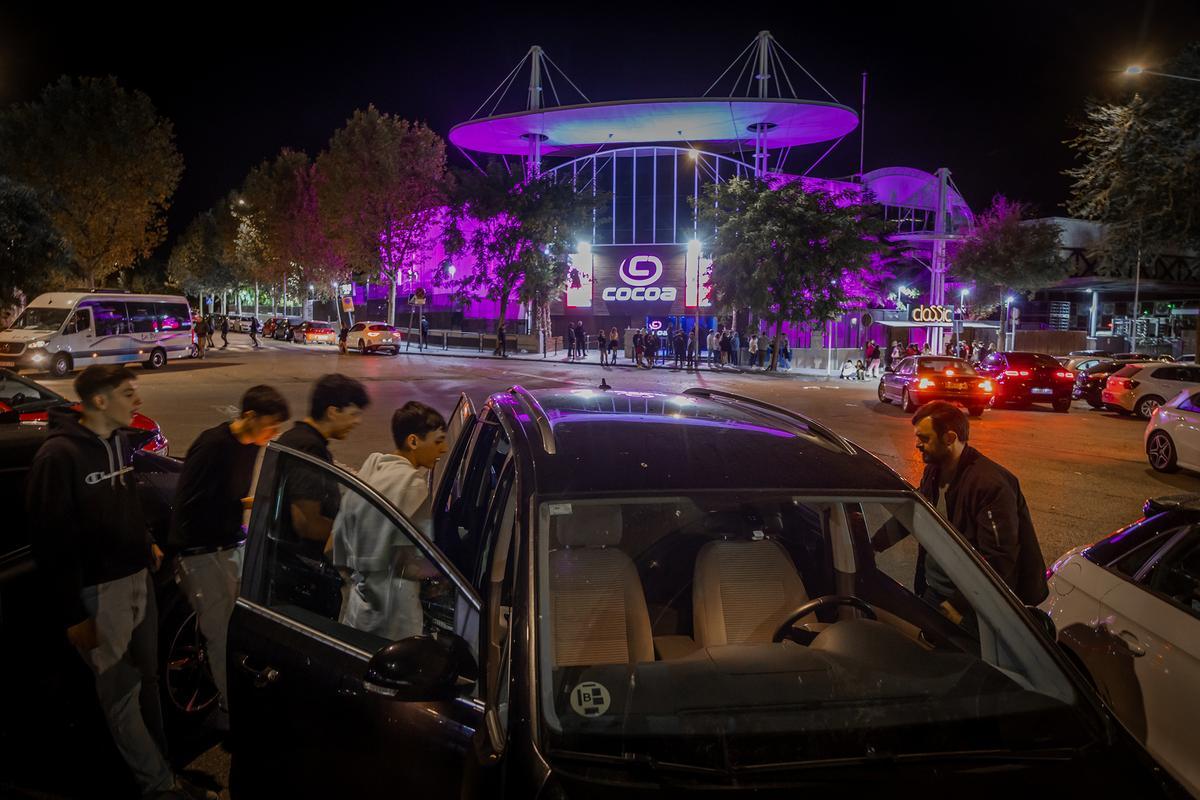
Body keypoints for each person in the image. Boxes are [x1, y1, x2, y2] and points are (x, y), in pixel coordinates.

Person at [27, 365, 219, 800]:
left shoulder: (116, 442)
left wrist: (147, 541)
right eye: (128, 393)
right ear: (99, 401)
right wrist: (73, 614)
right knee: (120, 696)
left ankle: (164, 766)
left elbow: (126, 499)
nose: (137, 402)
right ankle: (158, 786)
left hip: (138, 581)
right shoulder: (58, 457)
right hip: (100, 592)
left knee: (148, 681)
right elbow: (50, 540)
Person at [169, 385, 290, 728]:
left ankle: (240, 699)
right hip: (201, 553)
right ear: (250, 416)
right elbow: (189, 505)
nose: (274, 433)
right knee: (220, 636)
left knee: (241, 631)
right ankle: (230, 716)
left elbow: (232, 498)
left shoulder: (250, 445)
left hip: (229, 546)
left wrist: (256, 506)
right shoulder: (212, 446)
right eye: (271, 424)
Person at [877, 401, 1048, 629]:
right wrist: (873, 543)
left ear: (949, 438)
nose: (917, 444)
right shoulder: (934, 471)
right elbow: (914, 513)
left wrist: (959, 605)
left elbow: (999, 558)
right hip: (934, 591)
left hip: (970, 605)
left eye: (925, 438)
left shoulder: (990, 484)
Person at [333, 402, 448, 640]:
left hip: (357, 609)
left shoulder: (371, 469)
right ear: (413, 441)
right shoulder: (413, 486)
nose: (444, 449)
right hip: (393, 617)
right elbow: (409, 564)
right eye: (438, 441)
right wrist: (442, 578)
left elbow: (331, 547)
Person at [277, 374, 370, 555]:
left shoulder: (298, 438)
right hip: (297, 566)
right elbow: (307, 523)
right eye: (354, 414)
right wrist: (359, 536)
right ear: (333, 412)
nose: (358, 422)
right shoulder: (308, 447)